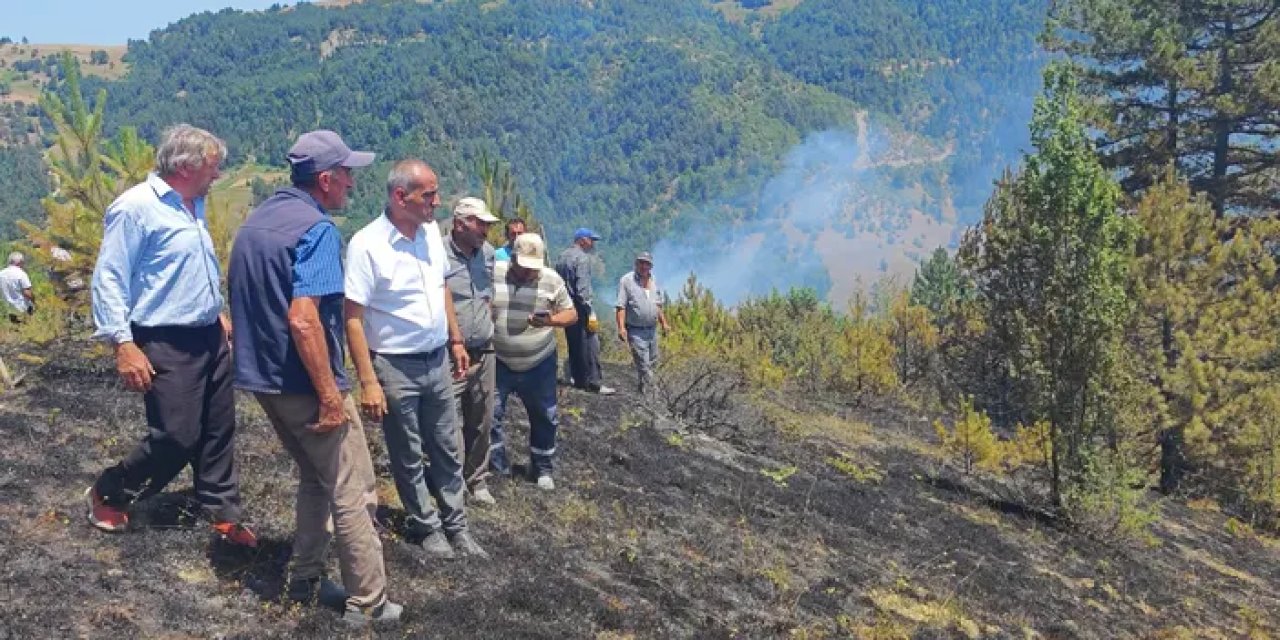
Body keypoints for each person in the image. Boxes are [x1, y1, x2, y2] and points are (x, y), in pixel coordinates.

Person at [229, 130, 402, 626]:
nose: (351, 182)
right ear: (324, 180)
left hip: (264, 382)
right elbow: (304, 319)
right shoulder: (318, 231)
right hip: (308, 384)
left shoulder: (256, 222)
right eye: (346, 173)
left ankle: (303, 579)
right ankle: (367, 602)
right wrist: (330, 395)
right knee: (353, 489)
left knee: (314, 478)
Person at [84, 124, 255, 548]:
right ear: (185, 166)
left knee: (218, 430)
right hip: (163, 337)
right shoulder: (136, 208)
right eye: (213, 168)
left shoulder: (191, 204)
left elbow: (183, 270)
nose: (217, 177)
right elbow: (109, 277)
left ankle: (221, 513)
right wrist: (124, 344)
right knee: (177, 436)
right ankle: (111, 490)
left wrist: (216, 313)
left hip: (207, 334)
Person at [344, 161, 487, 560]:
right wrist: (368, 380)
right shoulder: (366, 245)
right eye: (429, 195)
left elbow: (441, 285)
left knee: (446, 445)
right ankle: (427, 526)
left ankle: (456, 524)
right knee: (406, 450)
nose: (437, 203)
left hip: (436, 358)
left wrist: (455, 339)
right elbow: (352, 318)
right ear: (400, 196)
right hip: (394, 364)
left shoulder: (428, 236)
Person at [490, 233, 577, 490]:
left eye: (533, 268)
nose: (529, 273)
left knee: (545, 415)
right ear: (513, 258)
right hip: (499, 359)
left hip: (539, 361)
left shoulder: (550, 279)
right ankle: (497, 465)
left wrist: (550, 321)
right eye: (524, 267)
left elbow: (571, 313)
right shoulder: (493, 272)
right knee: (491, 414)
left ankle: (542, 467)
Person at [443, 197, 500, 506]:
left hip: (485, 348)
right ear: (460, 223)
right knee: (449, 421)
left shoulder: (488, 255)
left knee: (482, 418)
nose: (486, 230)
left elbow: (487, 295)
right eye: (481, 224)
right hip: (451, 351)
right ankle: (453, 482)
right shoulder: (438, 253)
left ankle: (477, 479)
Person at [555, 228, 614, 395]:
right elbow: (582, 290)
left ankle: (578, 379)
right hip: (580, 308)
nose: (593, 244)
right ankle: (594, 383)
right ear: (582, 240)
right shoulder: (582, 258)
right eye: (591, 240)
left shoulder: (562, 256)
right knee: (590, 344)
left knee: (574, 344)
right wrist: (589, 311)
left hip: (566, 307)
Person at [615, 252, 670, 393]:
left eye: (647, 263)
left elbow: (657, 304)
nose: (643, 266)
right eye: (641, 263)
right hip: (636, 330)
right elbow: (621, 306)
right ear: (636, 264)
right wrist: (621, 328)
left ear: (651, 266)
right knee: (644, 365)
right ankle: (655, 396)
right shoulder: (627, 281)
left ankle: (643, 393)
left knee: (653, 363)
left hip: (652, 330)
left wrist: (664, 323)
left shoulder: (654, 280)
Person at [0, 252, 35, 323]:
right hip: (22, 308)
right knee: (27, 327)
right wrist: (34, 301)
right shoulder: (21, 274)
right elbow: (27, 293)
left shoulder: (1, 274)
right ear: (20, 262)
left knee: (15, 328)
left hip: (8, 309)